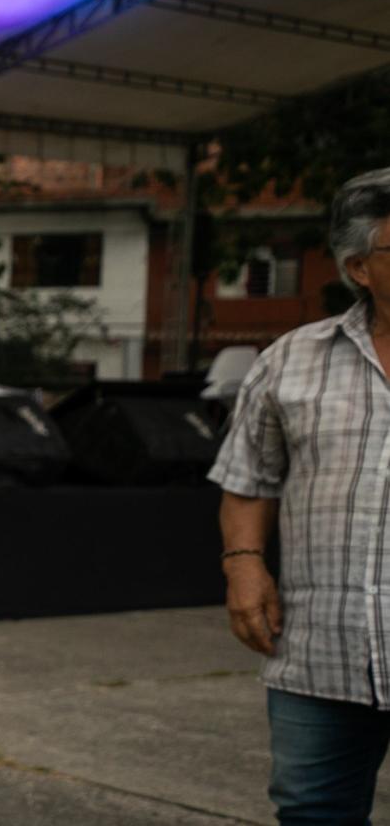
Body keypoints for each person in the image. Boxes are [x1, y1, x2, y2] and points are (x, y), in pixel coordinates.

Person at [210, 167, 390, 823]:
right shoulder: (291, 358)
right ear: (358, 267)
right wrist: (243, 564)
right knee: (313, 811)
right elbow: (247, 479)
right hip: (321, 656)